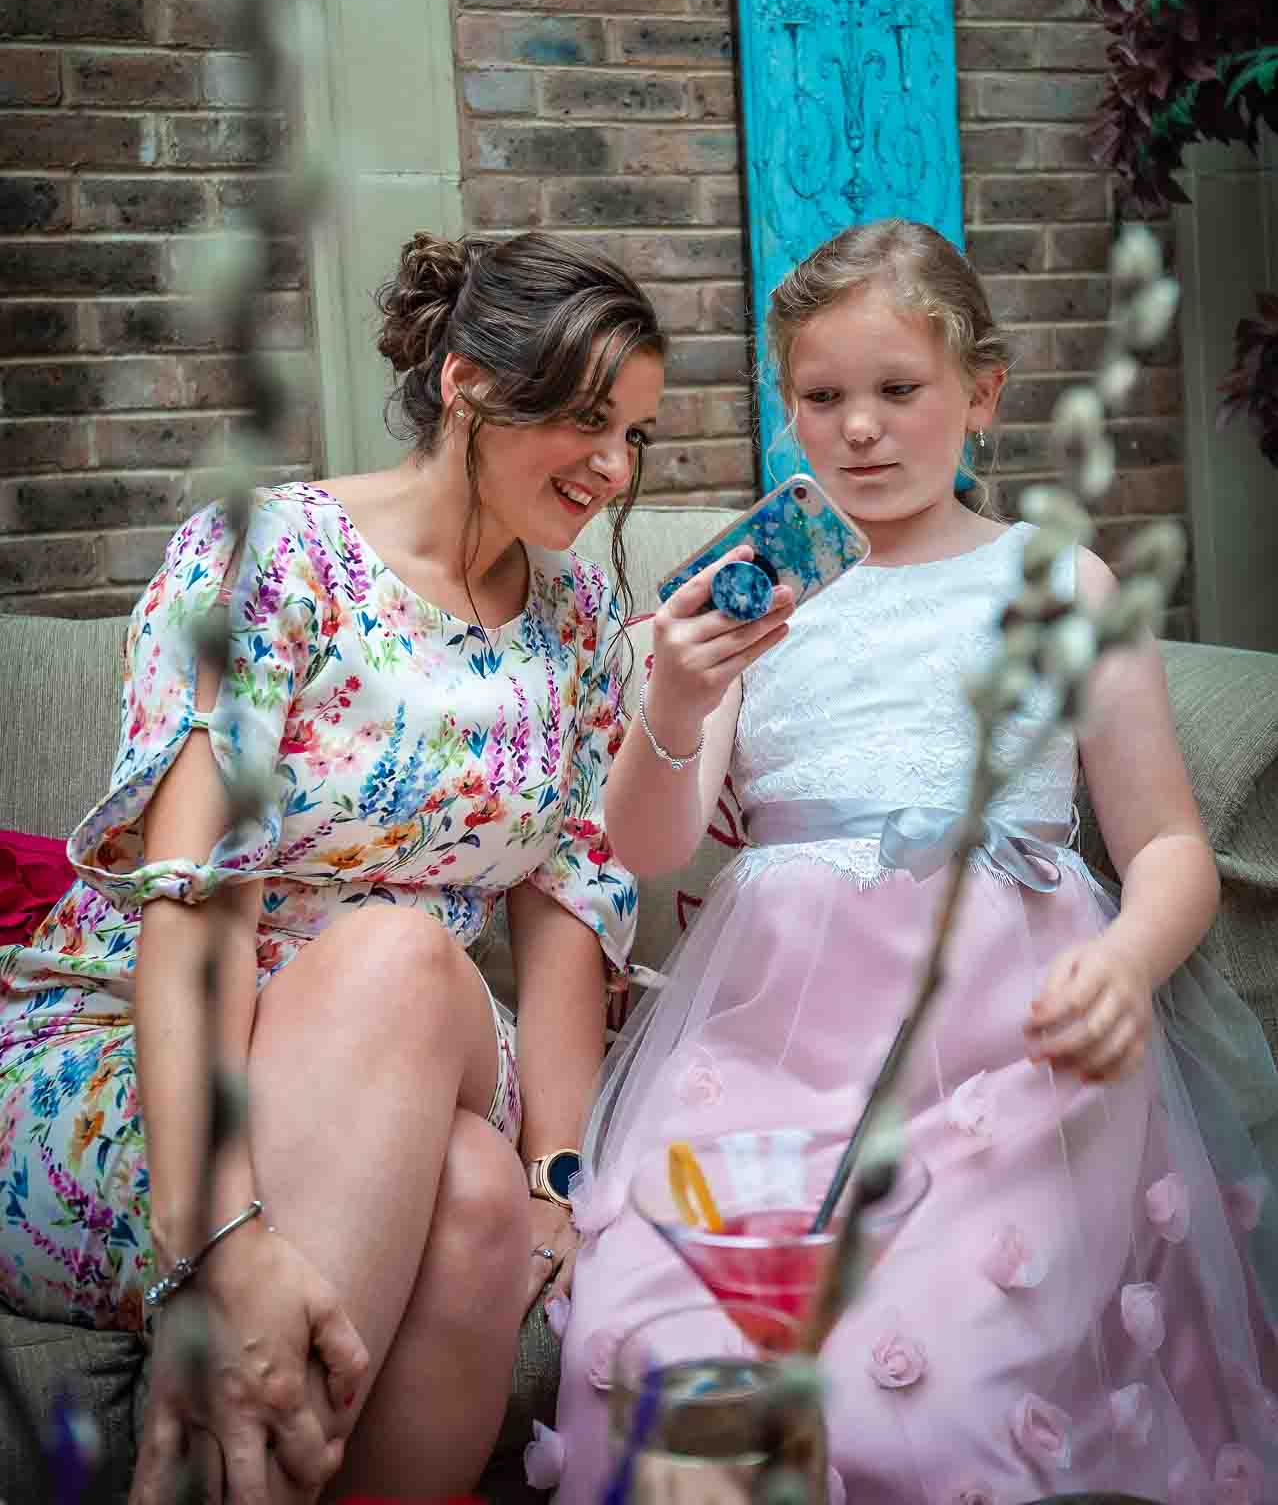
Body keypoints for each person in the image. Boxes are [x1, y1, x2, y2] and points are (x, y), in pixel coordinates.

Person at [553, 218, 1278, 1503]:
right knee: (676, 1387)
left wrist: (1124, 959)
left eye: (900, 391)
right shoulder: (745, 591)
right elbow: (650, 851)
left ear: (982, 394)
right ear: (788, 410)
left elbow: (1168, 841)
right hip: (773, 1057)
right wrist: (667, 701)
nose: (861, 430)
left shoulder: (1060, 582)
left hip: (1007, 1060)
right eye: (824, 399)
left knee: (922, 1409)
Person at [0, 230, 666, 1503]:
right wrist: (222, 1242)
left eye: (635, 435)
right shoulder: (273, 560)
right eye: (586, 421)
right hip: (136, 1077)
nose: (612, 468)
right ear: (467, 383)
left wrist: (561, 1182)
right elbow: (190, 911)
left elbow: (569, 893)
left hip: (411, 1059)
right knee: (452, 1156)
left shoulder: (578, 619)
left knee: (479, 1153)